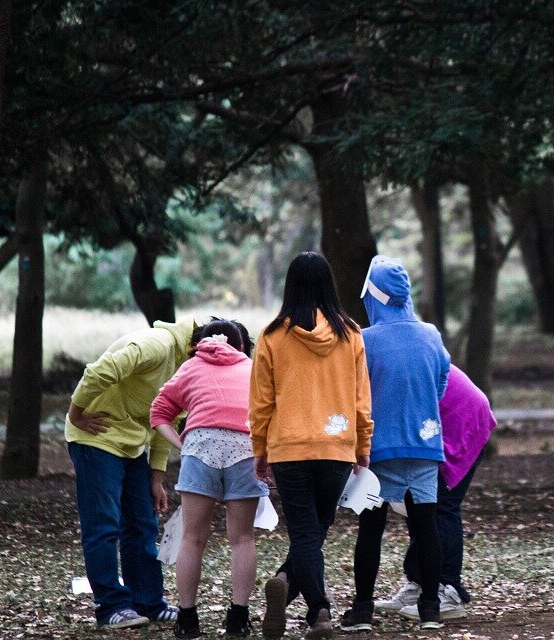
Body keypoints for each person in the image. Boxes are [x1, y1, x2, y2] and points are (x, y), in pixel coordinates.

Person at [250, 252, 373, 640]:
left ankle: (293, 588)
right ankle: (317, 609)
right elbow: (361, 398)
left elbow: (261, 402)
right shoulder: (351, 334)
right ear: (329, 285)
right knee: (315, 530)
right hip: (336, 447)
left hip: (289, 448)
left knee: (306, 532)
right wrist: (363, 445)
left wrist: (260, 450)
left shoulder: (271, 336)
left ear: (290, 286)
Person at [340, 255, 451, 633]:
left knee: (371, 530)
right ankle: (430, 608)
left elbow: (355, 392)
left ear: (372, 295)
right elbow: (441, 384)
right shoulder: (431, 334)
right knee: (426, 528)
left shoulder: (364, 340)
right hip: (424, 446)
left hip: (378, 450)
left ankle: (362, 611)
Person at [66, 317, 196, 629]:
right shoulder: (157, 345)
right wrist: (75, 413)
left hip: (132, 445)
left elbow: (167, 418)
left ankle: (148, 603)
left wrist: (156, 478)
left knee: (142, 523)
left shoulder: (187, 369)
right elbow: (100, 370)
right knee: (104, 525)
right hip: (96, 437)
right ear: (198, 347)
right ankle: (111, 607)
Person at [149, 318, 268, 638]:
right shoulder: (253, 369)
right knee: (242, 539)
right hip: (245, 448)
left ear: (200, 343)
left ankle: (187, 619)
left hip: (200, 448)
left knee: (192, 538)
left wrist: (183, 444)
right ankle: (238, 618)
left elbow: (158, 413)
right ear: (241, 345)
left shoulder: (189, 368)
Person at [377, 364, 497, 621]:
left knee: (440, 506)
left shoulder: (373, 356)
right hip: (436, 422)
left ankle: (449, 590)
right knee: (417, 503)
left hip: (462, 420)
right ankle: (420, 582)